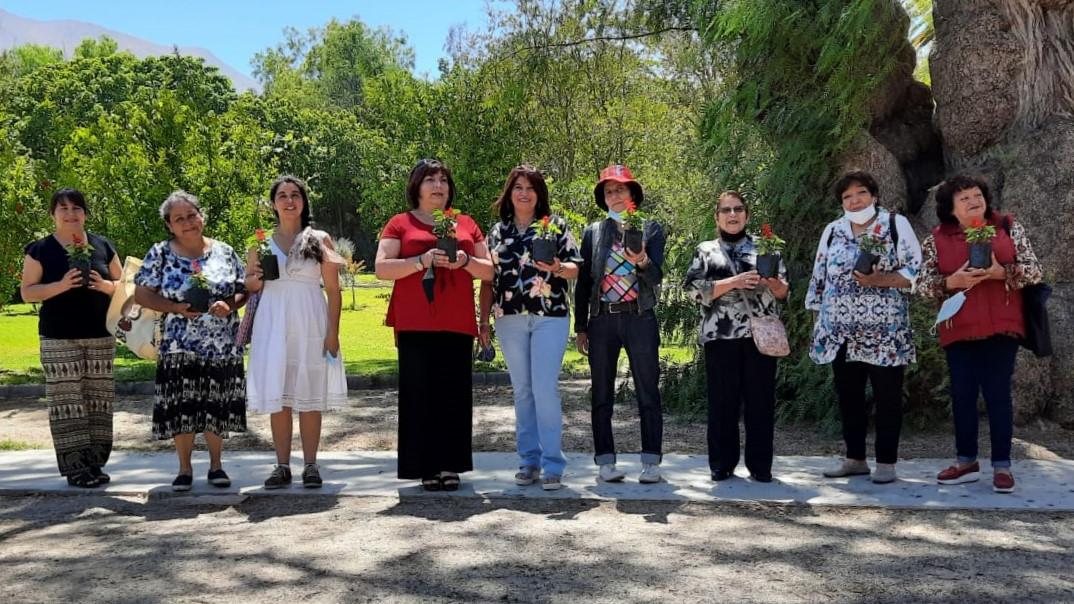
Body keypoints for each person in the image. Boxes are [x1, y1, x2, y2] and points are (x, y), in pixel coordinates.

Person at [917, 174, 1043, 494]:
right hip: (959, 329)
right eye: (965, 198)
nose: (974, 201)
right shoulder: (935, 239)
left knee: (998, 395)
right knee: (962, 396)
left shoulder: (1008, 228)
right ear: (951, 209)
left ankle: (1002, 466)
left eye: (977, 195)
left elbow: (1034, 270)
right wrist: (951, 282)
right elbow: (921, 286)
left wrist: (1002, 272)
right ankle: (966, 462)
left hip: (1003, 325)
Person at [374, 159, 494, 491]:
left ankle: (450, 465)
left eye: (443, 179)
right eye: (430, 179)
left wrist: (466, 261)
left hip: (457, 321)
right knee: (418, 393)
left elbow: (490, 271)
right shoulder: (400, 223)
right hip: (415, 321)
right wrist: (421, 261)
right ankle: (425, 466)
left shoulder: (466, 223)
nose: (438, 185)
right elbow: (382, 268)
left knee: (454, 394)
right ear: (416, 186)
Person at [806, 171, 922, 484]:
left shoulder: (895, 225)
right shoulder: (833, 230)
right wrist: (818, 323)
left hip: (885, 331)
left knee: (887, 397)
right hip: (840, 331)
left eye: (860, 193)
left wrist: (880, 280)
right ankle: (854, 458)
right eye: (847, 196)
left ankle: (886, 462)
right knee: (849, 396)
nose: (854, 200)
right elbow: (820, 276)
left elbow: (916, 270)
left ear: (874, 195)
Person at [134, 191, 247, 492]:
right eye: (179, 219)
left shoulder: (224, 250)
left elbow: (243, 288)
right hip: (178, 344)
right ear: (170, 226)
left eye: (191, 215)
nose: (187, 223)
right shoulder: (159, 253)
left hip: (220, 344)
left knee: (216, 404)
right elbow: (141, 294)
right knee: (182, 404)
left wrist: (231, 305)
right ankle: (184, 469)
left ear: (202, 216)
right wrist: (174, 307)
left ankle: (216, 466)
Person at [478, 165, 581, 491]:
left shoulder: (555, 226)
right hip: (509, 318)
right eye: (518, 187)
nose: (524, 193)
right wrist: (482, 321)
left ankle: (553, 464)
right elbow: (486, 278)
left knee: (544, 388)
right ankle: (528, 461)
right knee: (522, 390)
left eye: (530, 188)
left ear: (539, 194)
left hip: (550, 316)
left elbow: (576, 268)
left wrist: (557, 267)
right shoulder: (497, 232)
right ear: (509, 193)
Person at [246, 176, 347, 489]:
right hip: (273, 322)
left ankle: (311, 464)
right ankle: (281, 465)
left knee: (309, 395)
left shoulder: (319, 239)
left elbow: (333, 289)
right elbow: (249, 285)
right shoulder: (260, 242)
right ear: (273, 203)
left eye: (295, 195)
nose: (289, 201)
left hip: (310, 321)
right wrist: (255, 279)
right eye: (282, 196)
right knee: (281, 396)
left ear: (304, 201)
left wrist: (333, 333)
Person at [683, 191, 789, 482]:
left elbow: (783, 293)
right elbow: (693, 290)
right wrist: (734, 282)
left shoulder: (767, 247)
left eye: (738, 209)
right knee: (722, 403)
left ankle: (760, 466)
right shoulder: (706, 250)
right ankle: (721, 463)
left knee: (760, 402)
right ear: (717, 216)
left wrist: (772, 282)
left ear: (747, 214)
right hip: (720, 336)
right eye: (726, 210)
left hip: (760, 336)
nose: (733, 215)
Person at [20, 188, 122, 488]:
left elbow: (124, 283)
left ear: (85, 213)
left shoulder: (103, 245)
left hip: (101, 334)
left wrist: (106, 286)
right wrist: (61, 285)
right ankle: (75, 467)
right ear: (53, 214)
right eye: (63, 208)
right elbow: (27, 292)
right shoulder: (40, 250)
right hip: (58, 336)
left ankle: (95, 464)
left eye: (77, 207)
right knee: (67, 401)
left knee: (99, 400)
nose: (70, 213)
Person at [575, 164, 666, 484]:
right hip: (603, 320)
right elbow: (584, 283)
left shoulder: (651, 228)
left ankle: (651, 461)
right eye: (609, 191)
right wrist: (581, 326)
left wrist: (641, 260)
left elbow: (656, 277)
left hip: (640, 317)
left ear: (633, 195)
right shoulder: (593, 232)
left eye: (621, 189)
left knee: (647, 390)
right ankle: (605, 461)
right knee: (601, 393)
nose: (614, 195)